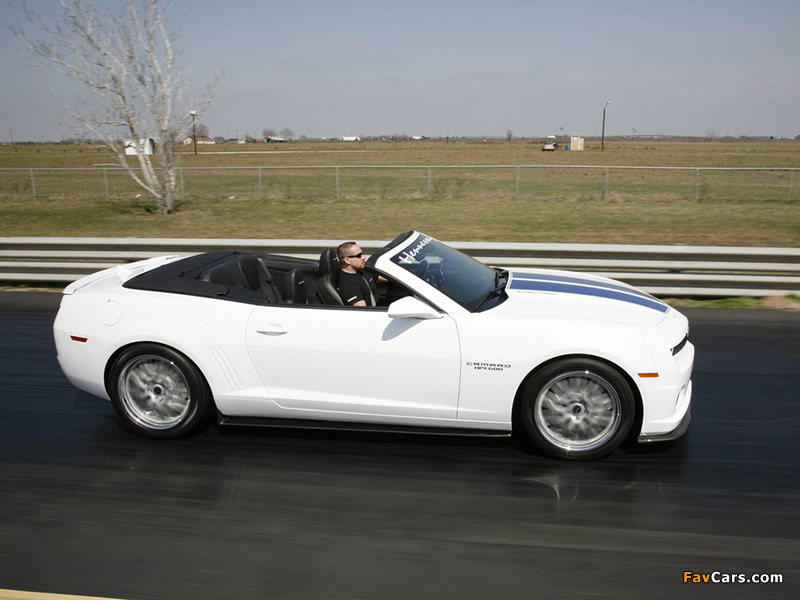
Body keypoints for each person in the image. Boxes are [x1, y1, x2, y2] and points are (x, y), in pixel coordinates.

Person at [336, 241, 379, 307]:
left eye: (362, 254)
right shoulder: (348, 285)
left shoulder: (362, 271)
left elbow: (385, 277)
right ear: (347, 260)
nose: (364, 257)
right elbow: (362, 311)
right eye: (359, 255)